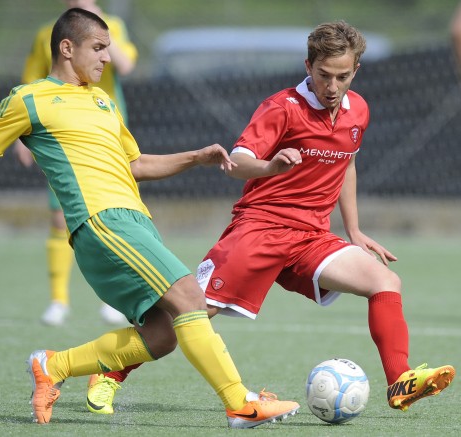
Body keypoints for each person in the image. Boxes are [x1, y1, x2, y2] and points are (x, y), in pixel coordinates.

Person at [0, 7, 300, 429]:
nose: (107, 58)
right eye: (98, 48)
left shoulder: (103, 101)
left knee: (162, 335)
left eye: (108, 48)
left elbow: (136, 164)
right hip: (101, 221)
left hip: (134, 222)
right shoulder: (30, 98)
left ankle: (53, 366)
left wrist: (195, 157)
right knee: (190, 296)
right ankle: (240, 404)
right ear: (66, 48)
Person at [84, 20, 456, 416]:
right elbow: (237, 161)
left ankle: (399, 380)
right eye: (324, 75)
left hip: (312, 237)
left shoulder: (358, 110)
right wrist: (271, 167)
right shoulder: (282, 108)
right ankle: (109, 372)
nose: (332, 86)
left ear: (356, 70)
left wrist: (354, 229)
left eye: (342, 77)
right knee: (188, 314)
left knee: (385, 281)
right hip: (259, 229)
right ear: (308, 66)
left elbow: (347, 164)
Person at [14, 0, 137, 326]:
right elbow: (30, 83)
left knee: (113, 216)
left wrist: (97, 22)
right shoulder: (48, 33)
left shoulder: (113, 26)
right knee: (60, 218)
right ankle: (59, 301)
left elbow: (125, 65)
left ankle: (114, 299)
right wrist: (19, 135)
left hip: (107, 135)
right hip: (63, 136)